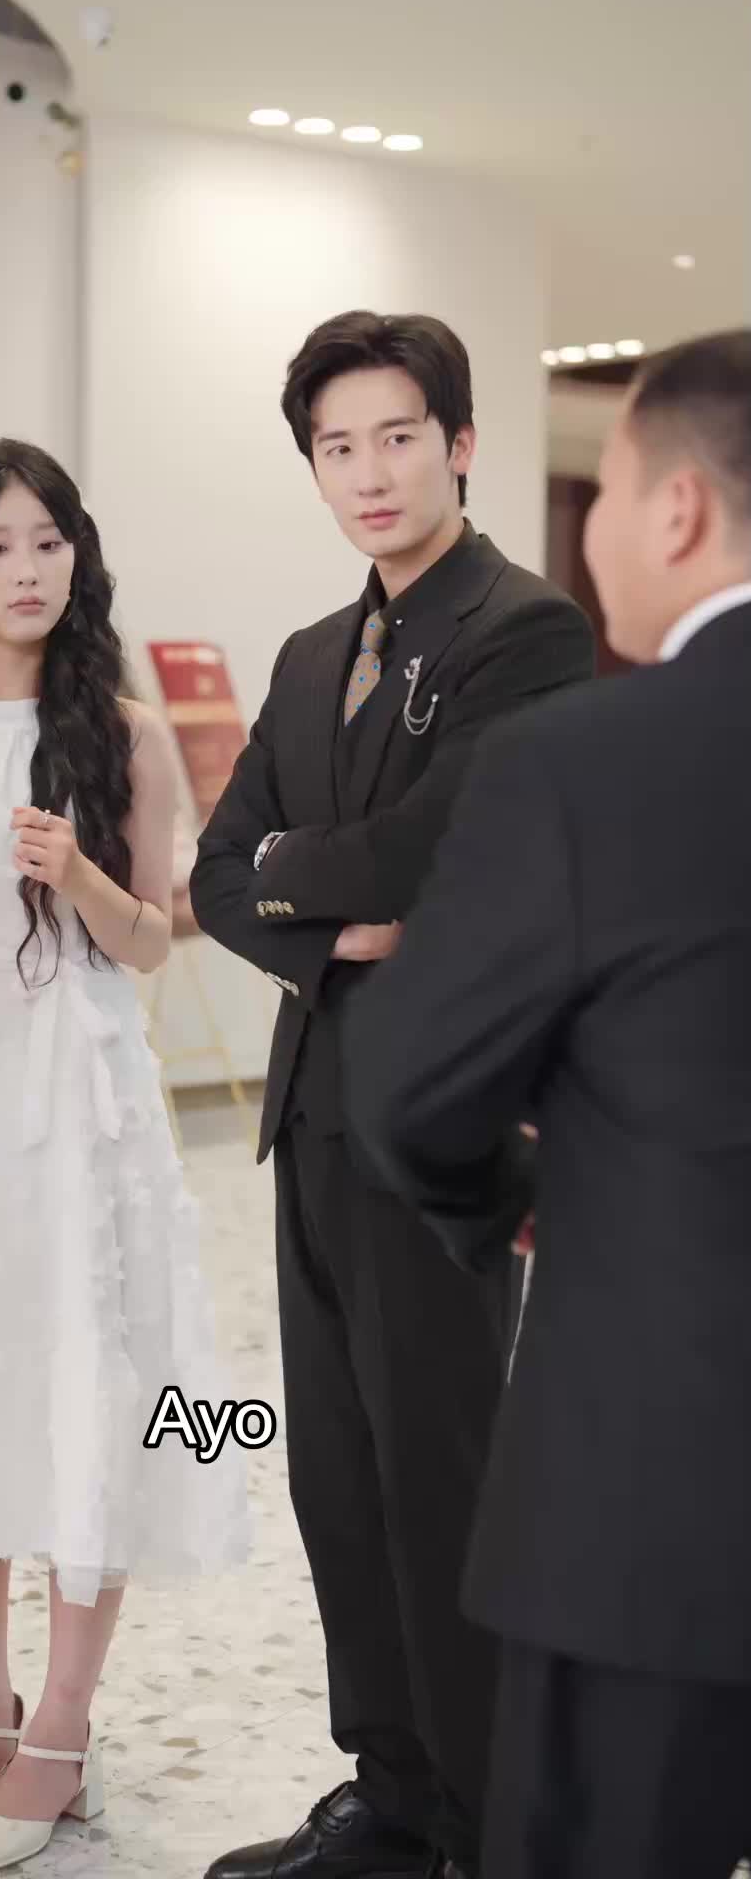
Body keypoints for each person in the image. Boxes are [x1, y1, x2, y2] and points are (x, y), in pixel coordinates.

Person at [341, 328, 751, 1878]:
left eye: (614, 485)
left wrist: (513, 1196)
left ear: (679, 510)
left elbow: (410, 1085)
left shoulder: (587, 761)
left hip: (666, 1485)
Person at [190, 312, 594, 1879]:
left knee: (444, 1479)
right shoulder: (312, 655)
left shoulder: (524, 629)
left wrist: (298, 879)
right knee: (339, 1478)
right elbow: (215, 877)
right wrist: (330, 913)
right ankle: (398, 1792)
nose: (368, 473)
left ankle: (497, 1821)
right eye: (336, 447)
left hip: (441, 1128)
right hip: (311, 1118)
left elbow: (426, 852)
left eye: (398, 438)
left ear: (461, 444)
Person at [0, 439, 250, 1875]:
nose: (28, 570)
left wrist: (76, 875)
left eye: (50, 541)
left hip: (80, 1111)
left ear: (78, 557)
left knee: (89, 1391)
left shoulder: (122, 732)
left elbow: (151, 939)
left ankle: (62, 1735)